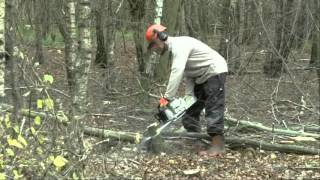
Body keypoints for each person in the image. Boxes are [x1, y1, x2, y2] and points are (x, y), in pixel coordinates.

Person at [145, 24, 228, 157]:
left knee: (213, 107)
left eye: (153, 45)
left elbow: (177, 71)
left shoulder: (180, 45)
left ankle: (218, 146)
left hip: (214, 71)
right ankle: (194, 140)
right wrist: (189, 97)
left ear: (161, 38)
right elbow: (189, 73)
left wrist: (166, 98)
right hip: (201, 76)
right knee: (191, 111)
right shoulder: (176, 51)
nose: (154, 49)